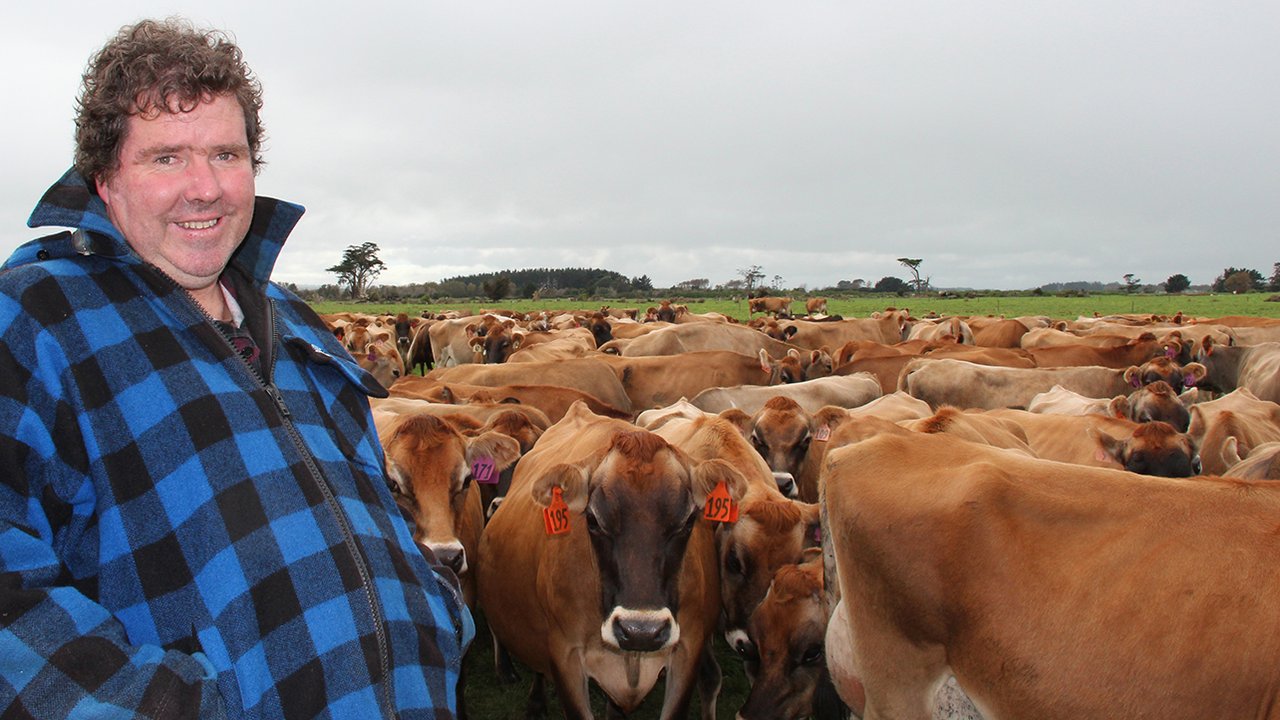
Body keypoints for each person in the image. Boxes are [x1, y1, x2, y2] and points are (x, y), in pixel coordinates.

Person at [0, 18, 472, 718]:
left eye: (226, 154)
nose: (205, 188)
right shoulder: (36, 319)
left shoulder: (295, 324)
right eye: (166, 158)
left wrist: (437, 616)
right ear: (104, 180)